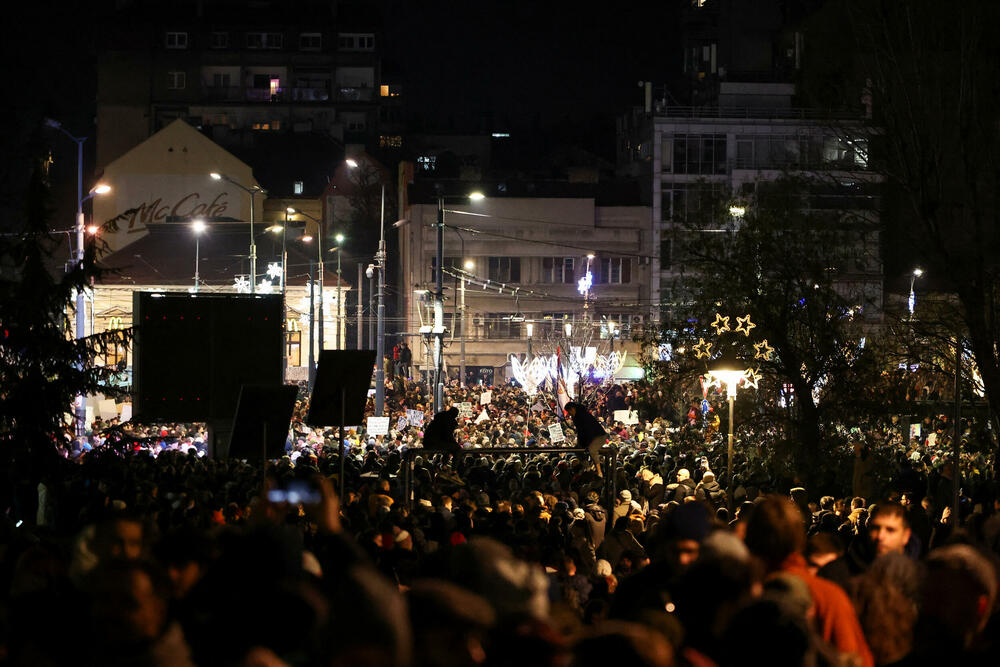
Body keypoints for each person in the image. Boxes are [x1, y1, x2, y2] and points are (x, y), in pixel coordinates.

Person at [564, 402, 607, 477]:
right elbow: (581, 431)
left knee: (592, 449)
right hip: (588, 437)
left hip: (598, 436)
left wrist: (586, 442)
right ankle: (587, 467)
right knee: (577, 450)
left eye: (569, 411)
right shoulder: (576, 418)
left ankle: (599, 472)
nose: (569, 414)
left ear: (573, 409)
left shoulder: (584, 415)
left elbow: (588, 430)